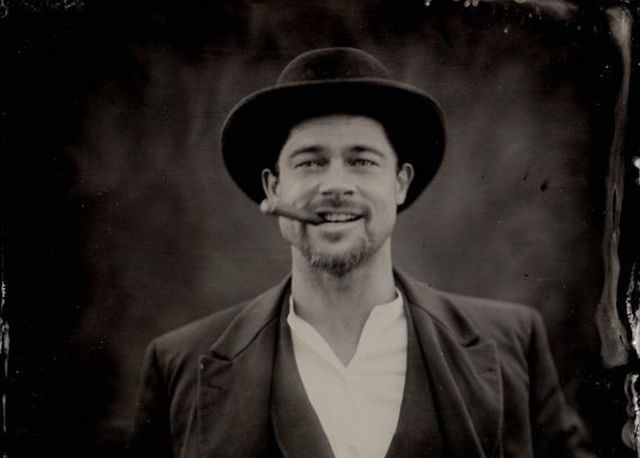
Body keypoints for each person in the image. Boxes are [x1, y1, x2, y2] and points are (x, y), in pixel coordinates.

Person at [129, 47, 596, 458]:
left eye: (362, 161)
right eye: (310, 162)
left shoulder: (515, 343)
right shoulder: (180, 365)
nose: (336, 185)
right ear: (273, 188)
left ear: (400, 183)